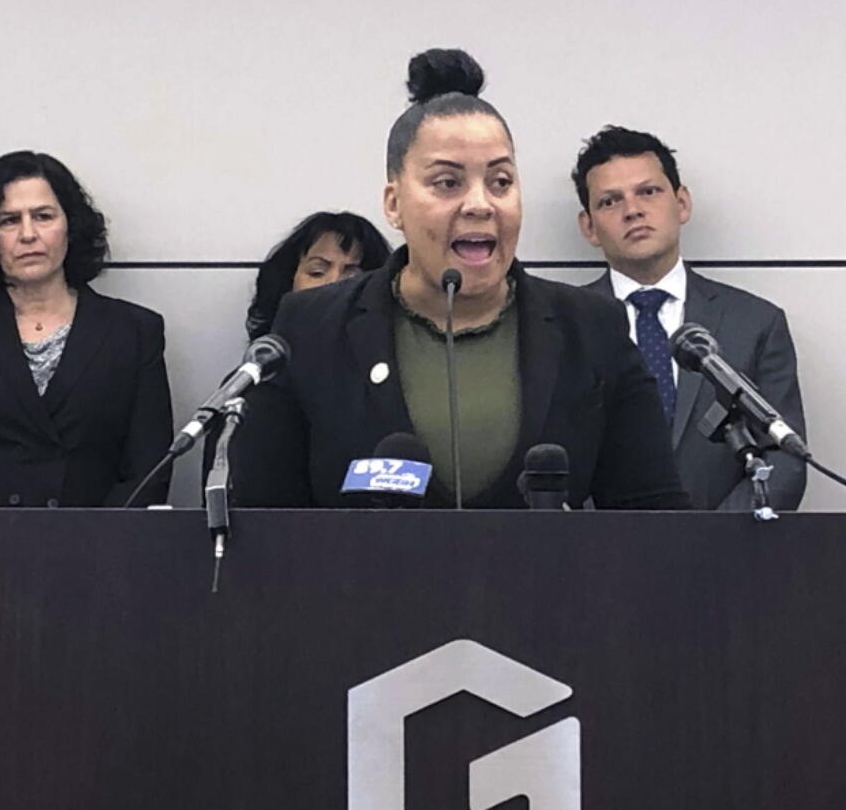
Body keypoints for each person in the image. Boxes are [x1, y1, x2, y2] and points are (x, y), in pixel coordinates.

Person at [230, 49, 689, 509]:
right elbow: (262, 522)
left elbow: (654, 519)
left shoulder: (592, 327)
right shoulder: (311, 327)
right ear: (393, 204)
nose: (480, 204)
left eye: (501, 182)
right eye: (448, 183)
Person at [0, 150, 173, 508]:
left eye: (43, 216)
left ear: (70, 226)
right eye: (9, 220)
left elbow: (148, 472)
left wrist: (96, 545)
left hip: (100, 551)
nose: (28, 234)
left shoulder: (135, 331)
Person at [573, 125, 806, 510]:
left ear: (682, 204)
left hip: (724, 557)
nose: (633, 210)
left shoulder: (755, 323)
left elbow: (785, 458)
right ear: (589, 226)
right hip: (596, 558)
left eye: (648, 192)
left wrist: (710, 543)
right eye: (610, 201)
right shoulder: (562, 324)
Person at [245, 211, 391, 340]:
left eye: (352, 277)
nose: (333, 283)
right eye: (317, 272)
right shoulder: (265, 363)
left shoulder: (393, 362)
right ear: (288, 282)